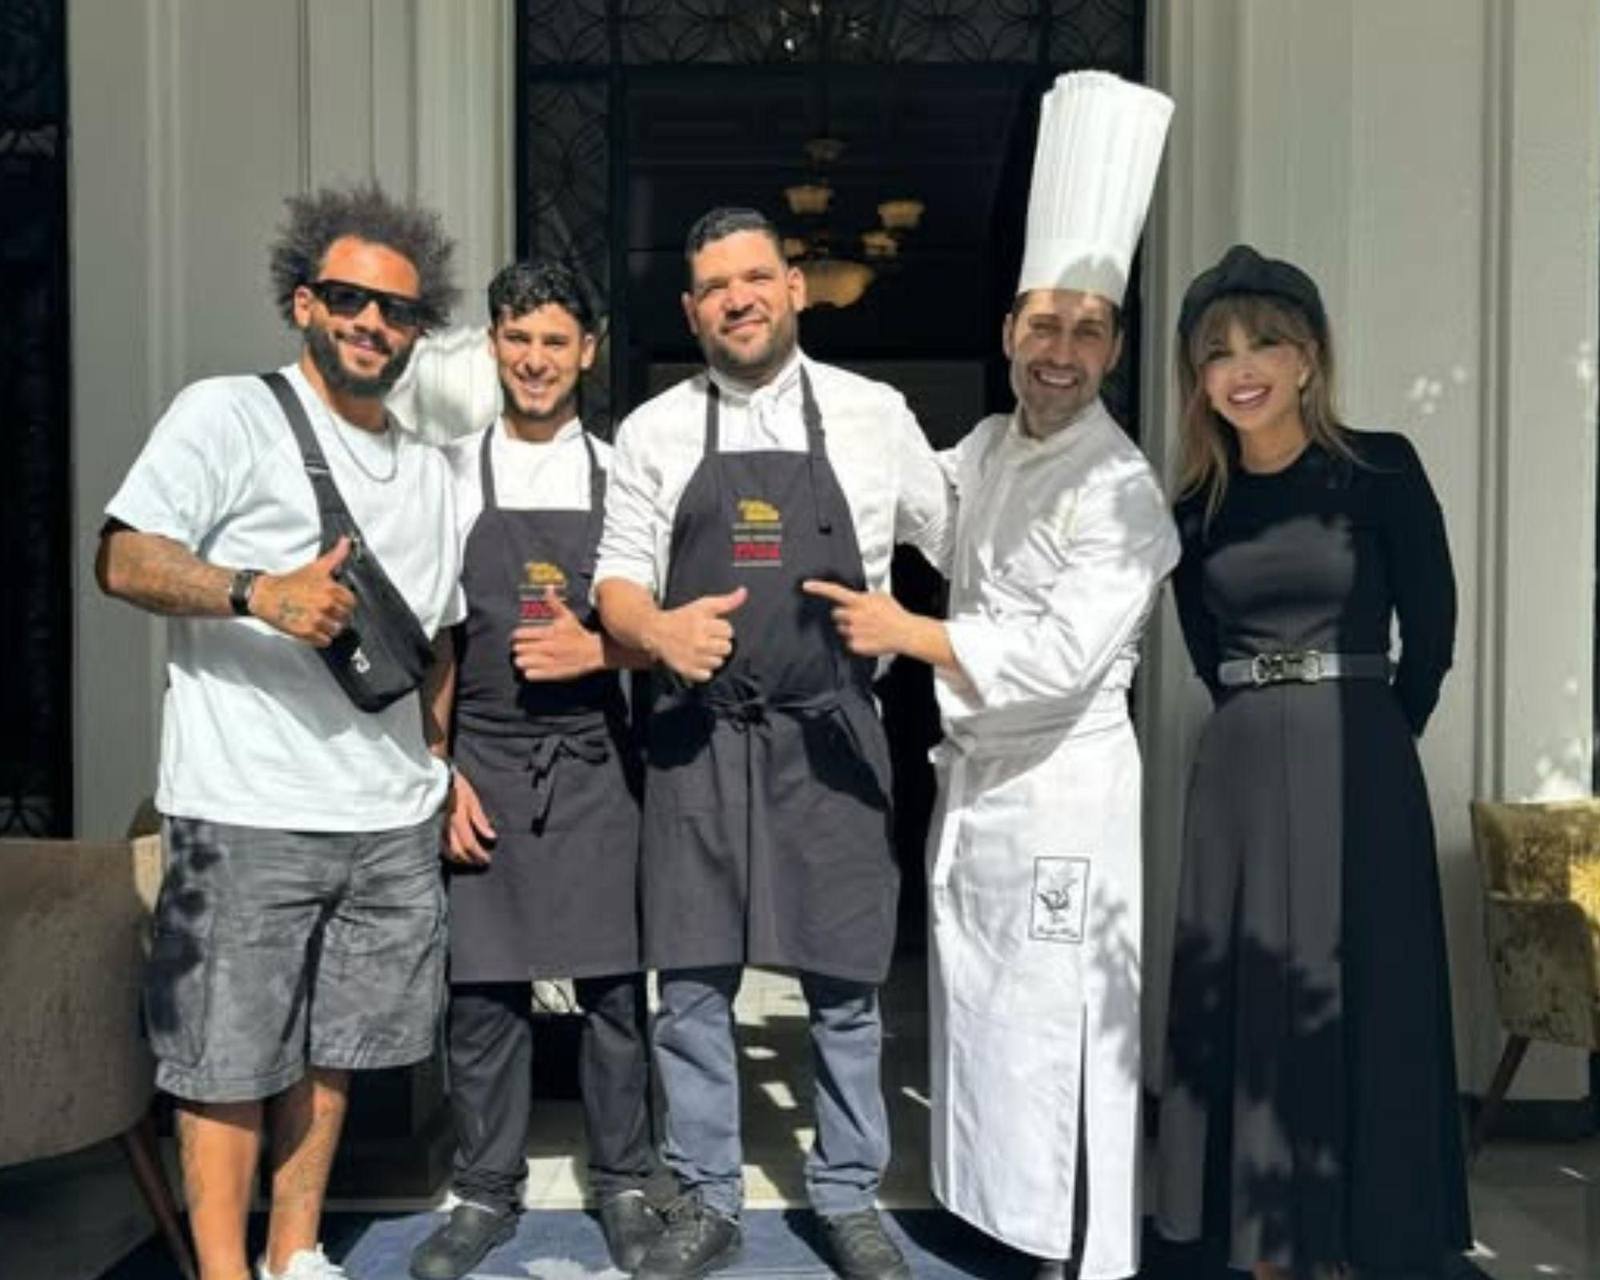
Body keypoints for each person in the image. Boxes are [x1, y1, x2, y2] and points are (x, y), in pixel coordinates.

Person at [806, 70, 1177, 1280]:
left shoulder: (1119, 486)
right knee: (983, 1010)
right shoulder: (993, 442)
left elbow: (1061, 657)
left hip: (1063, 787)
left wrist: (907, 631)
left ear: (1113, 345)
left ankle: (1072, 1245)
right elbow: (933, 508)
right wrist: (845, 417)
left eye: (1086, 330)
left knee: (1058, 1018)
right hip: (980, 781)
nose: (1060, 352)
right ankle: (994, 1217)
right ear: (1011, 330)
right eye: (1043, 326)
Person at [97, 185, 463, 1280]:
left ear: (417, 329)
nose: (371, 323)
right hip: (247, 806)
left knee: (332, 1051)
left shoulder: (430, 469)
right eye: (349, 298)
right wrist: (258, 591)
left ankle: (294, 1252)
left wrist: (437, 764)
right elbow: (122, 556)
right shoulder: (227, 414)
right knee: (225, 1058)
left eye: (397, 310)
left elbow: (439, 641)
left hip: (385, 817)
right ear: (304, 301)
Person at [592, 206, 952, 1280]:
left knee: (845, 980)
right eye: (715, 286)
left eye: (755, 277)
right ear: (691, 308)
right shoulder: (655, 430)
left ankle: (846, 1194)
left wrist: (941, 638)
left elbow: (964, 540)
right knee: (692, 983)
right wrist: (657, 630)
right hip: (697, 732)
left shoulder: (874, 414)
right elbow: (615, 582)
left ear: (794, 286)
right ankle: (707, 1198)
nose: (737, 299)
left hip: (831, 729)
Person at [1154, 244, 1472, 1278]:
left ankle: (1363, 1233)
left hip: (1363, 752)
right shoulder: (1194, 508)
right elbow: (1205, 650)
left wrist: (1373, 730)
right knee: (1246, 983)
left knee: (1363, 980)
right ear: (1197, 378)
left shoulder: (1380, 468)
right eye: (1216, 353)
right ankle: (1262, 1241)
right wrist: (1272, 722)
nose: (1240, 368)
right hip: (1240, 764)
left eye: (1263, 344)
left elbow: (1431, 631)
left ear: (1307, 357)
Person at [407, 259, 659, 1280]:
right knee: (483, 993)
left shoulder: (624, 475)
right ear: (493, 346)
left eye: (556, 340)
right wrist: (439, 770)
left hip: (598, 760)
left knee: (614, 993)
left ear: (588, 350)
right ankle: (484, 1191)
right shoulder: (447, 474)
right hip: (485, 759)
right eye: (518, 338)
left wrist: (600, 650)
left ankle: (627, 1183)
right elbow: (436, 642)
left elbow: (659, 633)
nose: (536, 359)